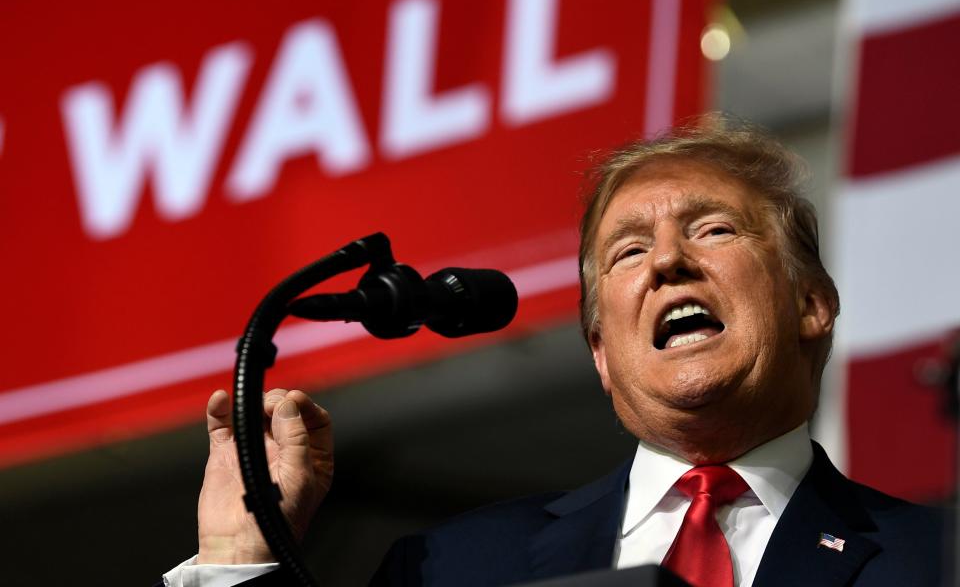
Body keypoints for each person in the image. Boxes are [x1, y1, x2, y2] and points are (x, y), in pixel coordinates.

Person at [162, 118, 945, 587]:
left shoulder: (936, 561)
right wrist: (237, 559)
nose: (668, 262)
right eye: (628, 252)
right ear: (602, 354)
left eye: (712, 230)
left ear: (811, 304)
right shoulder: (454, 570)